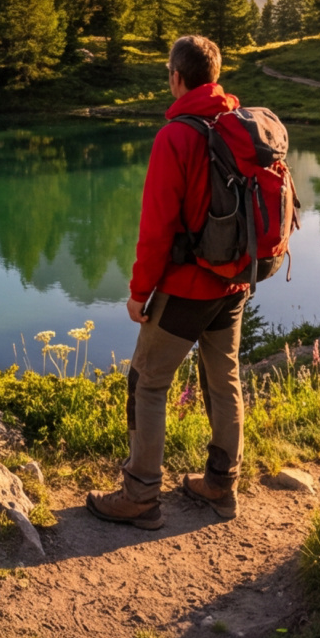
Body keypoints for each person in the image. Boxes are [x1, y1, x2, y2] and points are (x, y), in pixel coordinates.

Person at [87, 34, 247, 529]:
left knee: (148, 383)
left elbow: (156, 228)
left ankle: (140, 495)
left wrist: (139, 293)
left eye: (169, 75)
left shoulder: (176, 135)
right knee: (224, 379)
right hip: (235, 283)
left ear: (177, 77)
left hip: (188, 286)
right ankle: (221, 486)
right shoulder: (239, 125)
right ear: (215, 76)